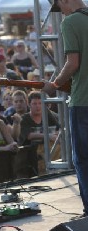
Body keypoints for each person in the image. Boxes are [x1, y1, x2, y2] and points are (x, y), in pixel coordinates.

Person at [43, 0, 88, 215]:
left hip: (83, 103)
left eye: (59, 7)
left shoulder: (71, 22)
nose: (60, 12)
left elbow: (73, 63)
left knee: (83, 159)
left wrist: (54, 84)